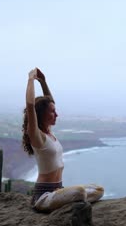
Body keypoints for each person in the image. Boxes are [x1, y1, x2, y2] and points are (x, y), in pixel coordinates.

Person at [22, 67, 104, 212]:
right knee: (79, 191)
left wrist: (43, 82)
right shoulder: (37, 136)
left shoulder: (49, 134)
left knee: (99, 190)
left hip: (58, 190)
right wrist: (31, 79)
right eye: (52, 112)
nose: (57, 114)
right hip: (44, 196)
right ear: (41, 114)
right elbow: (30, 106)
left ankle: (67, 199)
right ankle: (68, 199)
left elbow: (50, 101)